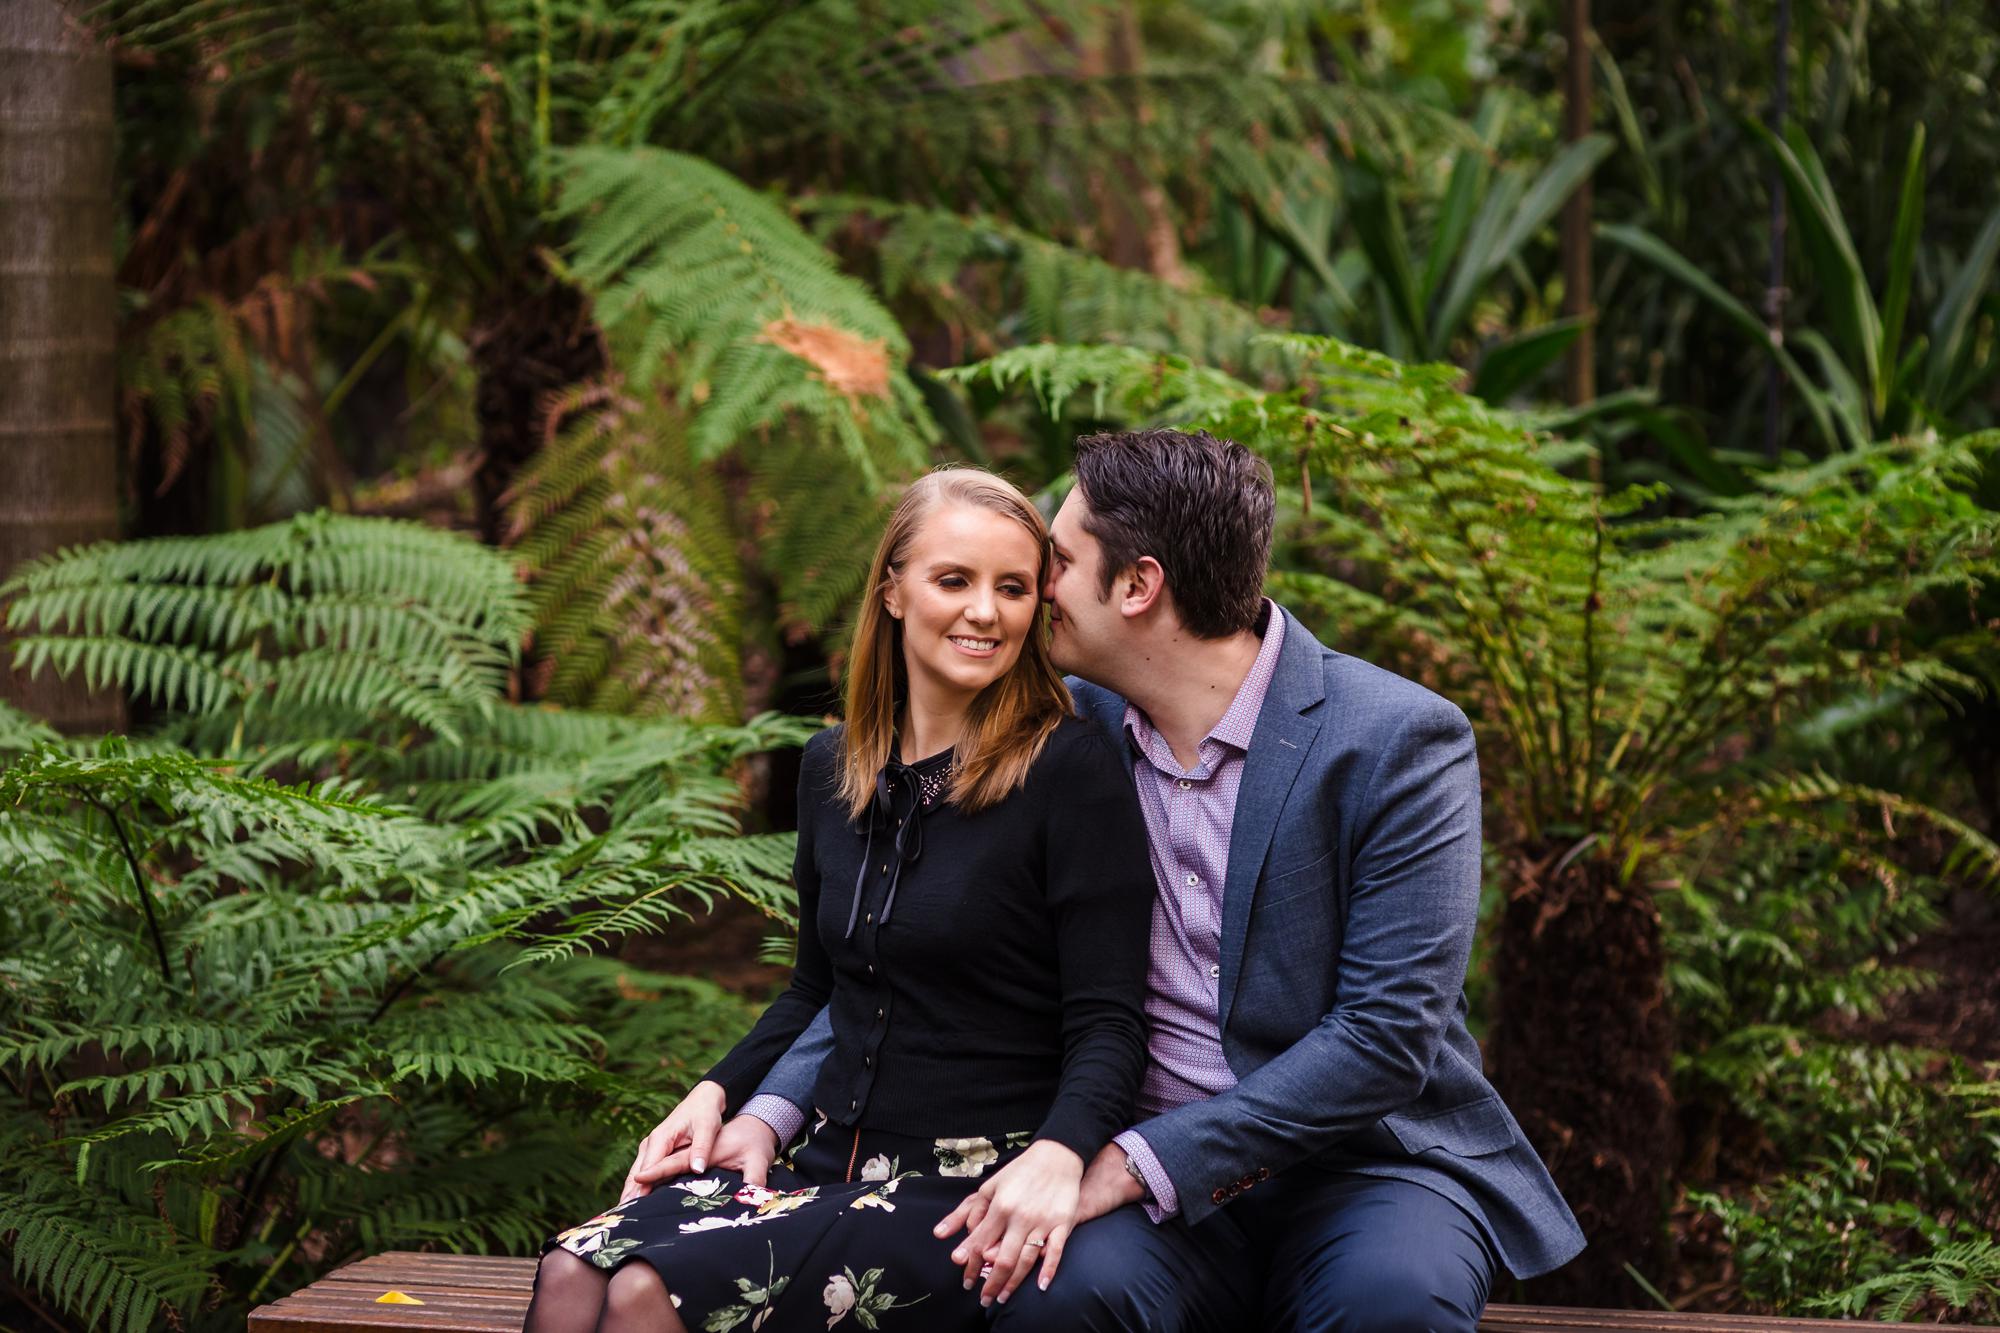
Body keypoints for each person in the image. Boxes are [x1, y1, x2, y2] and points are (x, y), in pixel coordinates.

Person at [696, 429, 1587, 1332]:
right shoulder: (1062, 736)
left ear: (1138, 585)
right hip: (1138, 1171)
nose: (1033, 591)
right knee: (1047, 1301)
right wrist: (767, 1105)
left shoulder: (1397, 739)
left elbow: (1386, 1036)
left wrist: (1126, 1164)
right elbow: (898, 951)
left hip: (1366, 1164)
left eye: (1057, 562)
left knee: (1389, 1306)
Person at [522, 468, 1156, 1333]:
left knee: (645, 1290)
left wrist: (1059, 1153)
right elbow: (813, 988)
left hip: (968, 1184)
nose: (986, 611)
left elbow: (1111, 1022)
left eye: (1013, 587)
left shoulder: (1068, 771)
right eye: (954, 580)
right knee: (571, 1269)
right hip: (825, 1158)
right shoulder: (833, 767)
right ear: (892, 590)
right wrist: (719, 1091)